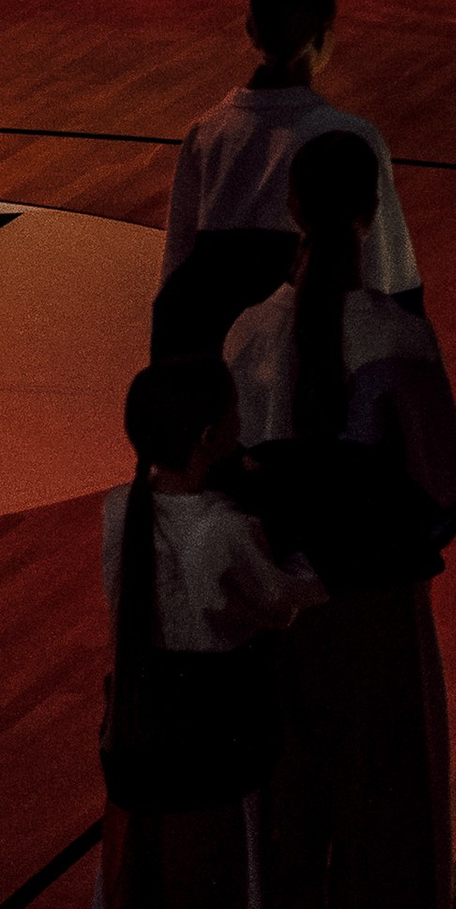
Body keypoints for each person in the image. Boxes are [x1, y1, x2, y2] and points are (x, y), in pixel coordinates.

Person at [224, 130, 456, 909]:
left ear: (292, 207)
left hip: (272, 613)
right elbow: (444, 489)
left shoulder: (244, 336)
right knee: (388, 808)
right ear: (373, 211)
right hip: (377, 613)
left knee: (283, 805)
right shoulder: (401, 338)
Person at [98, 355, 325, 908]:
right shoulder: (224, 529)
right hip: (218, 733)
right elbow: (279, 606)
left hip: (140, 722)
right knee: (230, 873)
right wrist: (323, 570)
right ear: (208, 436)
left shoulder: (119, 507)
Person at [156, 0, 422, 365]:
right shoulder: (351, 138)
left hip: (217, 356)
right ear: (321, 37)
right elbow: (388, 275)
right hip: (318, 354)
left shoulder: (207, 133)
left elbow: (178, 268)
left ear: (250, 30)